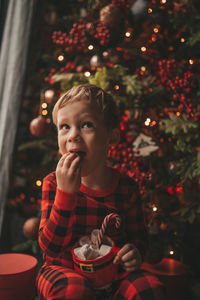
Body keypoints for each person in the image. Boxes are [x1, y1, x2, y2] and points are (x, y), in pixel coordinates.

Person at [37, 84, 166, 299]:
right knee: (74, 291)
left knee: (148, 288)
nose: (73, 136)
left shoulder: (126, 187)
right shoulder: (52, 183)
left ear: (111, 137)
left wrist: (134, 253)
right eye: (64, 127)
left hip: (113, 273)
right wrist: (65, 195)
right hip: (62, 269)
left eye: (86, 125)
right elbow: (50, 248)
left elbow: (139, 239)